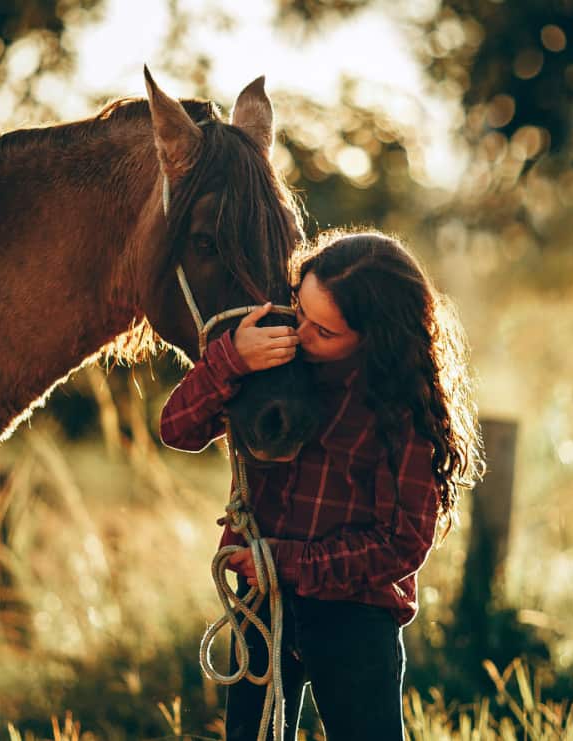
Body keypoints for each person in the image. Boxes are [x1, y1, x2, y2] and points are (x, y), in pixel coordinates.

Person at [159, 230, 483, 741]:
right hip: (263, 607)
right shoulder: (275, 363)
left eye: (324, 332)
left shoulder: (401, 411)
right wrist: (231, 360)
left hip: (355, 619)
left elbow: (402, 542)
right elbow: (177, 429)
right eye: (299, 309)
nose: (301, 333)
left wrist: (284, 561)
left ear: (375, 337)